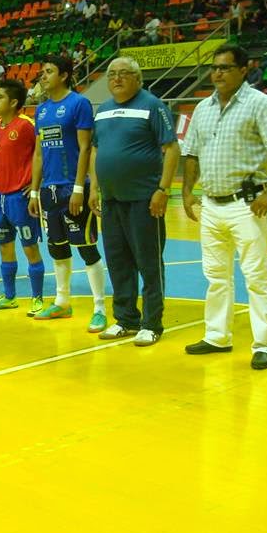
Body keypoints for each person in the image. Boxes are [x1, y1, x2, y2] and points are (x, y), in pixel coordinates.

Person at [181, 43, 267, 370]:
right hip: (211, 205)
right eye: (214, 67)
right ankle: (217, 336)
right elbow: (191, 154)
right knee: (216, 276)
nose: (217, 73)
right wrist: (188, 192)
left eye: (225, 67)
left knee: (257, 277)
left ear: (244, 70)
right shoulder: (203, 107)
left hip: (248, 205)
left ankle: (263, 344)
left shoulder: (261, 104)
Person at [88, 57, 179, 346]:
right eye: (112, 74)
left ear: (138, 79)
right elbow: (95, 151)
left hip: (144, 200)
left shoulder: (152, 105)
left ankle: (152, 323)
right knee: (118, 262)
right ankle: (126, 319)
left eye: (123, 74)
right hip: (112, 200)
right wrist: (93, 189)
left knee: (149, 263)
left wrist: (162, 190)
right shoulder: (102, 111)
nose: (116, 79)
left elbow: (172, 149)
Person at [27, 55, 107, 333]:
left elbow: (86, 148)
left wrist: (78, 188)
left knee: (86, 248)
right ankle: (63, 302)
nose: (43, 76)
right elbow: (38, 153)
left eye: (48, 71)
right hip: (48, 191)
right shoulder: (42, 110)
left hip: (73, 189)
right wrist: (34, 191)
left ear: (64, 75)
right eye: (42, 71)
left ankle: (99, 307)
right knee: (57, 248)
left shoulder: (79, 104)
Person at [0, 79, 45, 313]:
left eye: (0, 97)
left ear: (14, 102)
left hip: (20, 198)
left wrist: (34, 185)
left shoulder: (26, 126)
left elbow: (42, 154)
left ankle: (37, 298)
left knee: (30, 248)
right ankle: (9, 296)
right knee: (5, 248)